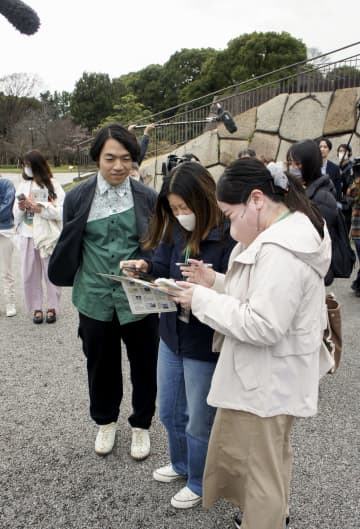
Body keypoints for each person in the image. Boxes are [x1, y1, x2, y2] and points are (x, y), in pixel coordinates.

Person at [172, 157, 331, 529]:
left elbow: (263, 324)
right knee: (270, 463)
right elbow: (262, 297)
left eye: (230, 215)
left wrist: (201, 300)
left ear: (257, 199)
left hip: (267, 382)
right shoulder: (284, 235)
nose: (229, 225)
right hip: (272, 378)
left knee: (261, 473)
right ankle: (269, 516)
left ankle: (265, 520)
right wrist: (215, 282)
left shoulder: (280, 250)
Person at [120, 161, 235, 509]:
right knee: (170, 410)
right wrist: (144, 268)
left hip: (204, 341)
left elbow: (238, 289)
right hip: (170, 335)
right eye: (174, 208)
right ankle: (182, 464)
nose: (180, 214)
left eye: (185, 207)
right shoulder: (175, 231)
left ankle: (200, 481)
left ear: (204, 200)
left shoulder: (229, 235)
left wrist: (209, 282)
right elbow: (159, 267)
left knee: (200, 418)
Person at [48, 124, 159, 460]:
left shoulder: (147, 197)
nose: (118, 166)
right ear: (97, 158)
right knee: (100, 362)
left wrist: (146, 264)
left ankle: (141, 424)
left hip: (137, 297)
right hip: (94, 295)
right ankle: (105, 420)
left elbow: (158, 245)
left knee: (144, 363)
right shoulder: (79, 196)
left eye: (126, 158)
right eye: (110, 158)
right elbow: (72, 241)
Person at [13, 150, 64, 324]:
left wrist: (40, 209)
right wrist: (21, 207)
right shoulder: (22, 186)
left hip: (47, 236)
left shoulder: (53, 185)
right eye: (24, 165)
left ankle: (52, 307)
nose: (25, 168)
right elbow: (16, 216)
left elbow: (62, 212)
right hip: (28, 235)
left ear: (36, 165)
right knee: (29, 274)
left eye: (28, 165)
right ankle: (36, 307)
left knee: (51, 273)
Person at [287, 139, 338, 285]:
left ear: (310, 164)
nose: (293, 168)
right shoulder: (297, 190)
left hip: (312, 271)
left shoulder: (322, 196)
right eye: (290, 163)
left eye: (298, 164)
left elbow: (317, 238)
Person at [0, 173, 16, 317]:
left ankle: (10, 302)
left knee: (6, 271)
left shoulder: (6, 184)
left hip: (3, 231)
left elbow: (6, 208)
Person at [347, 157, 360, 296]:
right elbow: (350, 199)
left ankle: (357, 284)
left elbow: (350, 198)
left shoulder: (356, 184)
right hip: (357, 229)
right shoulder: (356, 185)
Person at [318, 137, 342, 202]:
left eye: (325, 147)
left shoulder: (335, 168)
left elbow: (338, 189)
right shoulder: (311, 166)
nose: (322, 149)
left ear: (329, 150)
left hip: (330, 203)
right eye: (320, 147)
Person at [337, 143, 353, 233]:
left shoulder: (351, 167)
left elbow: (349, 184)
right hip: (337, 202)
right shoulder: (337, 167)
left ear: (349, 153)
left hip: (347, 204)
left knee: (346, 229)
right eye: (340, 151)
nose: (342, 153)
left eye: (344, 151)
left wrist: (342, 175)